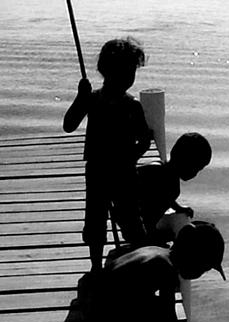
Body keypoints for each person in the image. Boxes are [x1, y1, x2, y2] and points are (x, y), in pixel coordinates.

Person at [63, 37, 151, 274]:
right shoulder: (92, 99)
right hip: (98, 169)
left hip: (122, 170)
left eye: (131, 71)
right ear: (106, 71)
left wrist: (132, 156)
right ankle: (95, 267)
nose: (128, 77)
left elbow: (144, 138)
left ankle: (139, 257)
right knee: (95, 218)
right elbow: (69, 125)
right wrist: (79, 98)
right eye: (124, 71)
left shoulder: (131, 105)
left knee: (130, 217)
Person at [86, 220, 225, 322]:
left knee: (160, 313)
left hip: (92, 307)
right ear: (194, 258)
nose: (201, 274)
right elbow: (168, 311)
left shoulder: (157, 251)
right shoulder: (167, 269)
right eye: (204, 268)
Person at [136, 132, 213, 238]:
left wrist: (178, 208)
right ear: (186, 163)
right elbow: (149, 205)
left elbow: (165, 197)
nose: (195, 174)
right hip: (134, 219)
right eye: (196, 168)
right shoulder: (159, 176)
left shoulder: (167, 174)